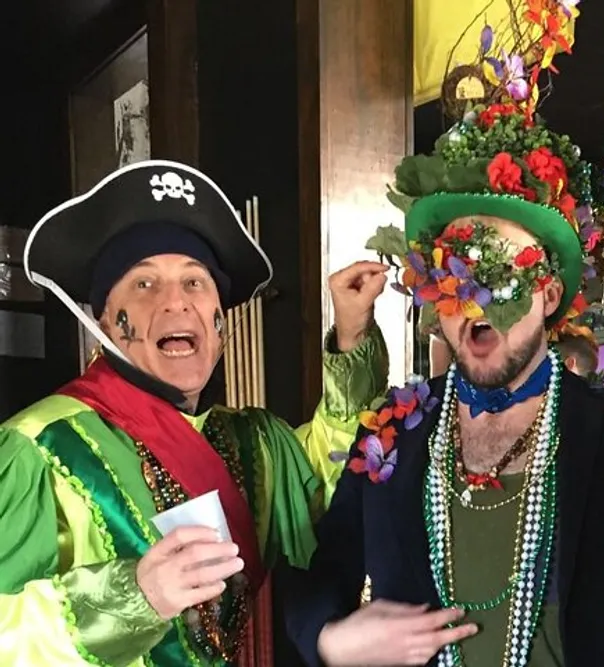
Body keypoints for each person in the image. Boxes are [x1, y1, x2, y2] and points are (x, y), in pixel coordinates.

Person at [282, 18, 604, 663]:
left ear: (549, 295)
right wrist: (329, 637)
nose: (472, 299)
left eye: (498, 272)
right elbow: (313, 576)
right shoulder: (392, 431)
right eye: (452, 272)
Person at [0, 159, 386, 666]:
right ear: (105, 322)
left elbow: (337, 477)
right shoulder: (37, 448)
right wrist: (130, 598)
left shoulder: (255, 443)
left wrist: (352, 333)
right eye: (143, 284)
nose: (176, 302)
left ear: (219, 321)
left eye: (195, 282)